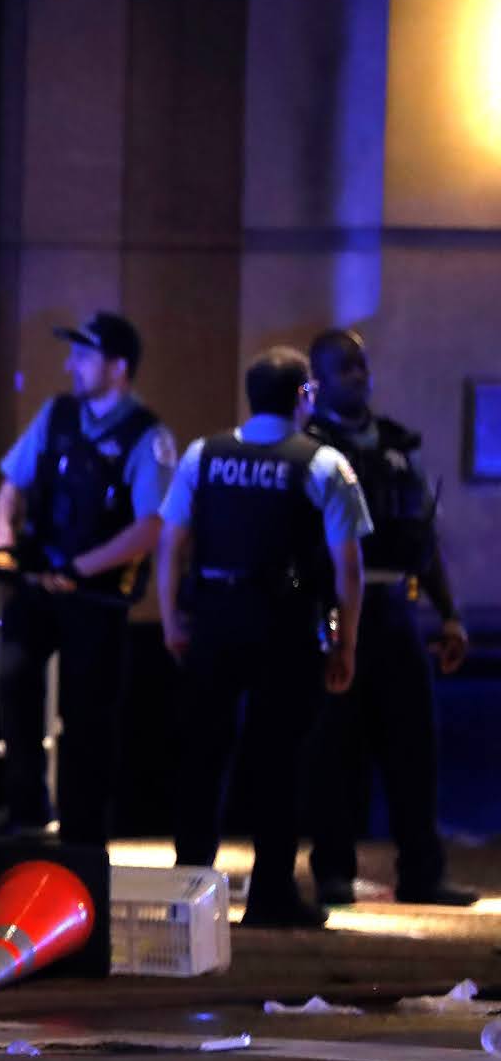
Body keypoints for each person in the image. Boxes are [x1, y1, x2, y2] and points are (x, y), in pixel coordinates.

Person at [158, 346, 370, 930]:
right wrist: (347, 641)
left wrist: (173, 618)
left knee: (202, 756)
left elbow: (171, 541)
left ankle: (188, 888)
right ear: (305, 395)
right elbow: (347, 566)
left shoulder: (204, 455)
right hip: (284, 622)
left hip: (215, 617)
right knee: (278, 760)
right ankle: (272, 894)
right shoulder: (323, 465)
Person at [302, 330, 476, 906]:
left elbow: (423, 540)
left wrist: (449, 616)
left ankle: (423, 874)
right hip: (332, 611)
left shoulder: (399, 446)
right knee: (335, 750)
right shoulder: (310, 447)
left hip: (396, 610)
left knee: (415, 748)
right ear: (318, 379)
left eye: (362, 364)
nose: (358, 373)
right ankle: (332, 871)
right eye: (344, 366)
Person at [0, 311, 176, 843]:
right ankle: (25, 809)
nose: (71, 365)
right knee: (14, 682)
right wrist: (5, 546)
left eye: (84, 356)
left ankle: (83, 827)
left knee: (88, 713)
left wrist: (80, 570)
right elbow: (11, 485)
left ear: (119, 367)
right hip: (40, 584)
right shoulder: (57, 415)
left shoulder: (148, 435)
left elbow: (150, 525)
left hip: (96, 599)